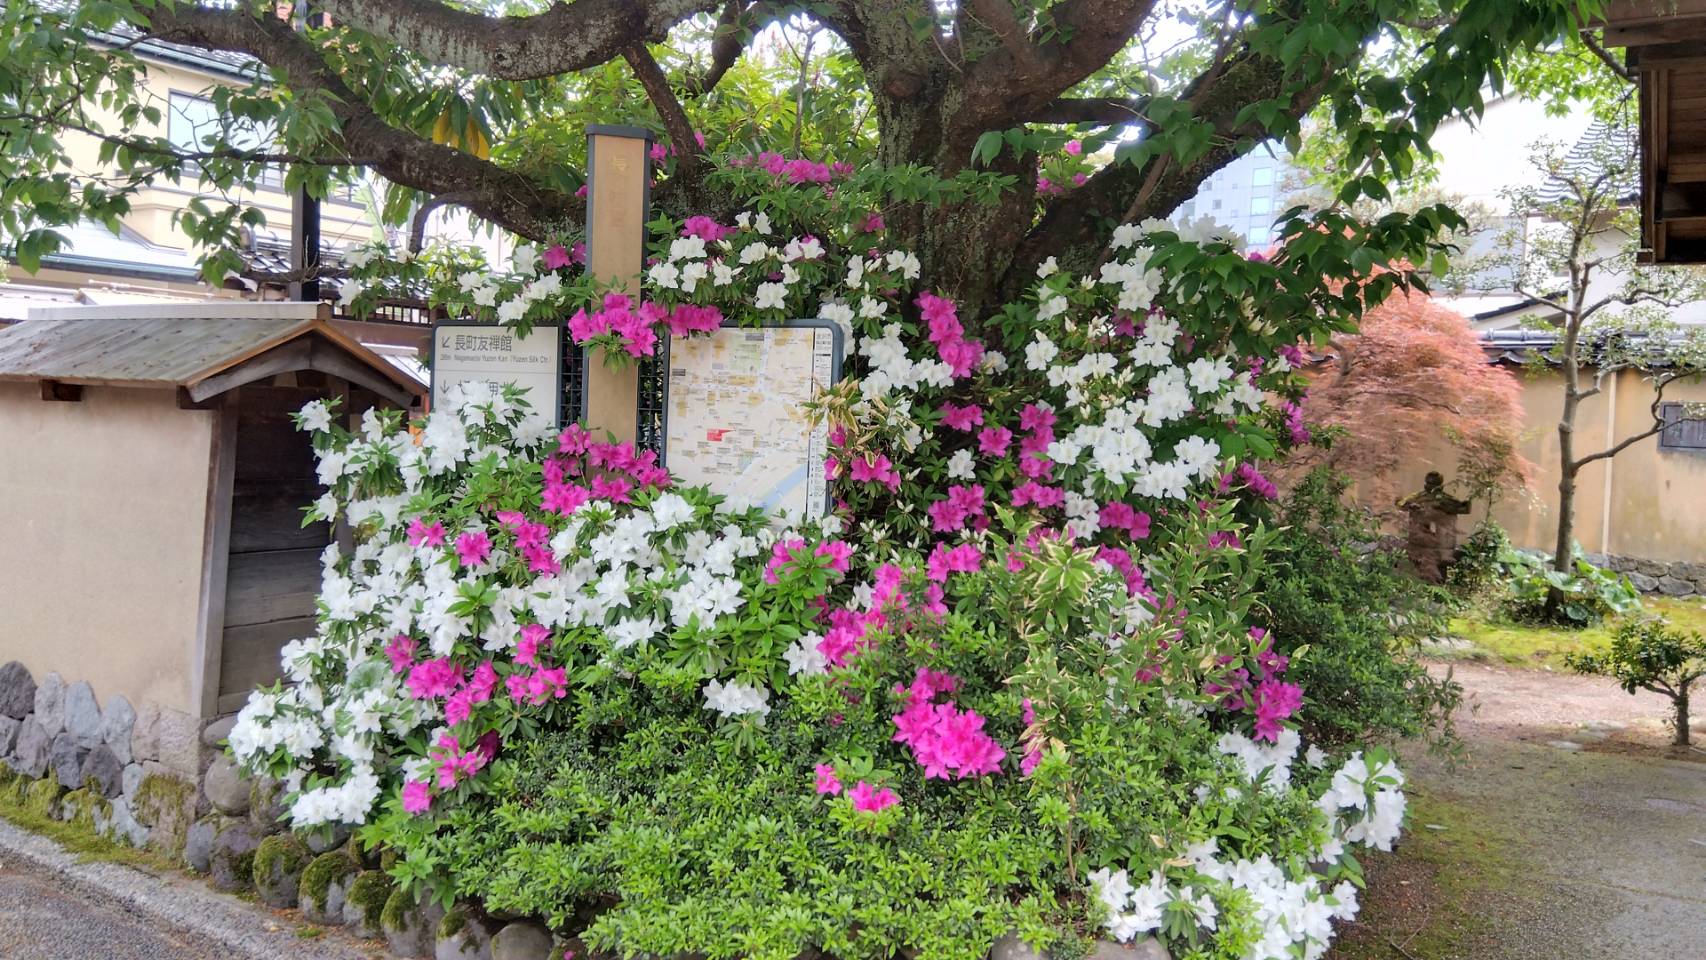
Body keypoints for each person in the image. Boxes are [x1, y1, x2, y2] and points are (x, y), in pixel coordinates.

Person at [1397, 472, 1471, 583]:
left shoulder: (1418, 498)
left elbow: (1401, 504)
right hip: (1432, 548)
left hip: (1432, 549)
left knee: (1431, 574)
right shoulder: (1446, 501)